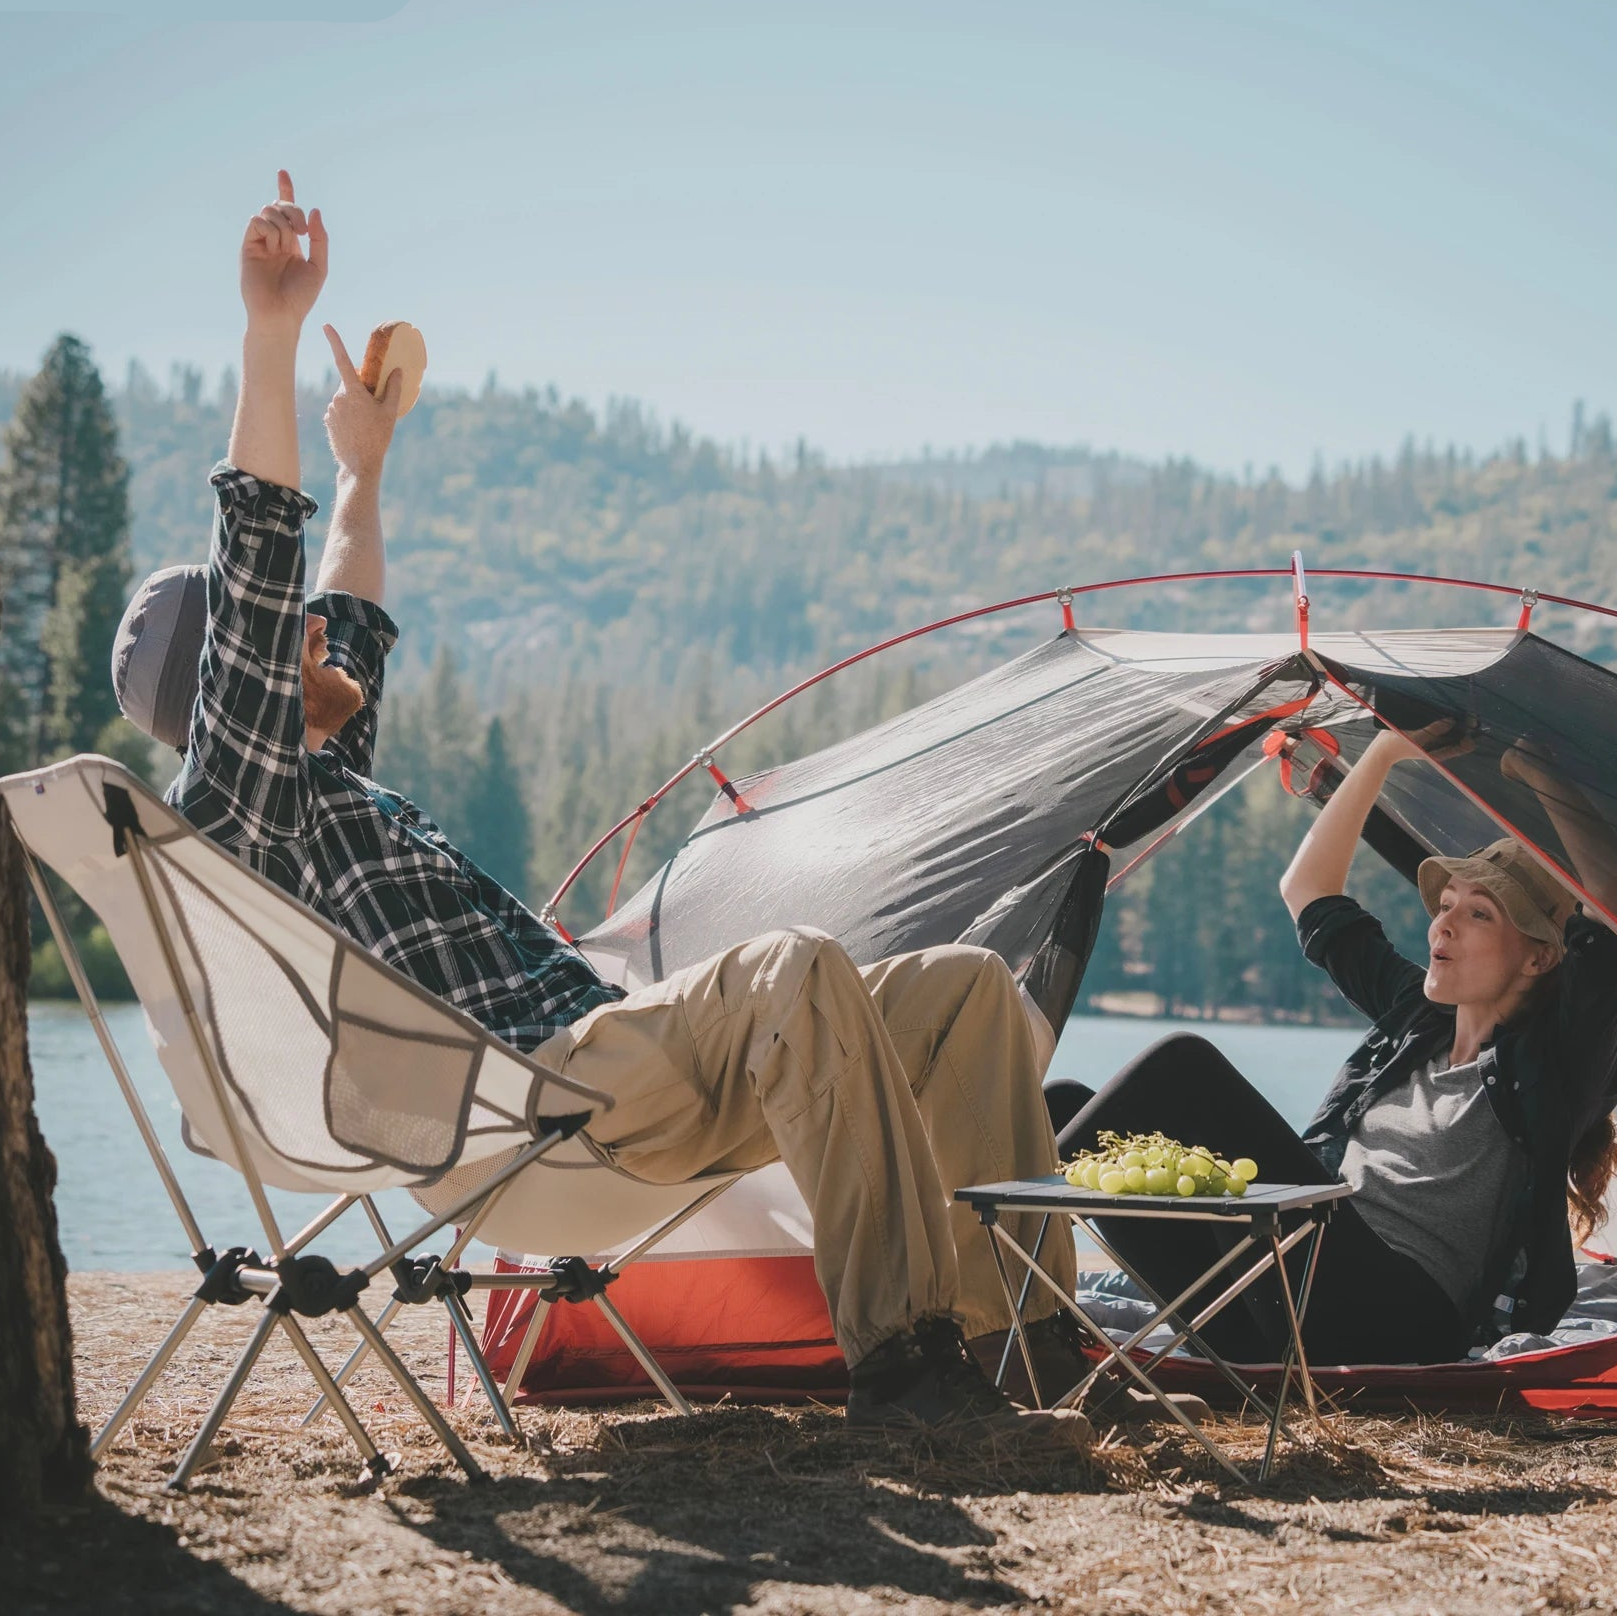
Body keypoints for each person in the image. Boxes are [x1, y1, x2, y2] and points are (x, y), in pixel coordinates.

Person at [107, 172, 1094, 1444]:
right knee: (789, 969)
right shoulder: (249, 806)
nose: (316, 631)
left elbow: (345, 600)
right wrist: (272, 334)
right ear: (233, 684)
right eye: (279, 635)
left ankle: (1028, 1341)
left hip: (621, 1072)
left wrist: (365, 463)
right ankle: (906, 1373)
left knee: (962, 990)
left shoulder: (322, 779)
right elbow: (259, 558)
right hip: (531, 1110)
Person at [1046, 722, 1617, 1365]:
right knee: (1065, 1106)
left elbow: (1610, 910)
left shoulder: (1555, 1067)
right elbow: (1308, 892)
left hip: (1396, 1320)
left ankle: (968, 1231)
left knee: (1184, 1067)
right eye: (1446, 903)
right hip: (1272, 1312)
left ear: (1540, 959)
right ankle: (974, 1274)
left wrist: (1538, 765)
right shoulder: (1414, 1020)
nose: (1444, 924)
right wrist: (1384, 751)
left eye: (1478, 913)